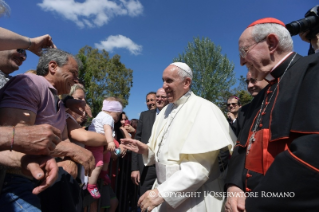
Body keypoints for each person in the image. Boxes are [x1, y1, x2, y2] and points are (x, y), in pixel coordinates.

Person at [225, 17, 319, 212]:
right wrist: (234, 186)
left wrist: (255, 203)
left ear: (271, 43)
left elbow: (311, 155)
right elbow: (242, 147)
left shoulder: (313, 70)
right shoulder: (262, 95)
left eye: (244, 52)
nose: (241, 62)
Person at [122, 62, 236, 212]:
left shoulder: (204, 109)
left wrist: (162, 193)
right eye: (163, 80)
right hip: (163, 190)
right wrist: (146, 150)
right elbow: (163, 152)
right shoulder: (165, 111)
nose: (164, 86)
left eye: (169, 81)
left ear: (186, 82)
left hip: (195, 198)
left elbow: (199, 170)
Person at [0, 48, 95, 212]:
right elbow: (11, 143)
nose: (76, 80)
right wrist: (71, 151)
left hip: (48, 183)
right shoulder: (30, 84)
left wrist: (70, 160)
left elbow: (63, 143)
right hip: (17, 181)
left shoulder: (59, 103)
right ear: (53, 67)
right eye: (73, 73)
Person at [131, 87, 168, 197]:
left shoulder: (174, 115)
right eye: (157, 97)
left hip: (166, 166)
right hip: (147, 166)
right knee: (145, 198)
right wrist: (135, 168)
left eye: (163, 97)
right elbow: (136, 141)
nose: (159, 99)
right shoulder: (145, 116)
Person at [86, 97, 122, 198]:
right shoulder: (108, 118)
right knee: (98, 164)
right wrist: (110, 141)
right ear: (111, 111)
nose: (117, 118)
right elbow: (107, 130)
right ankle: (91, 185)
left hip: (98, 143)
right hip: (95, 144)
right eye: (117, 114)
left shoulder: (101, 115)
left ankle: (103, 174)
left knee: (106, 157)